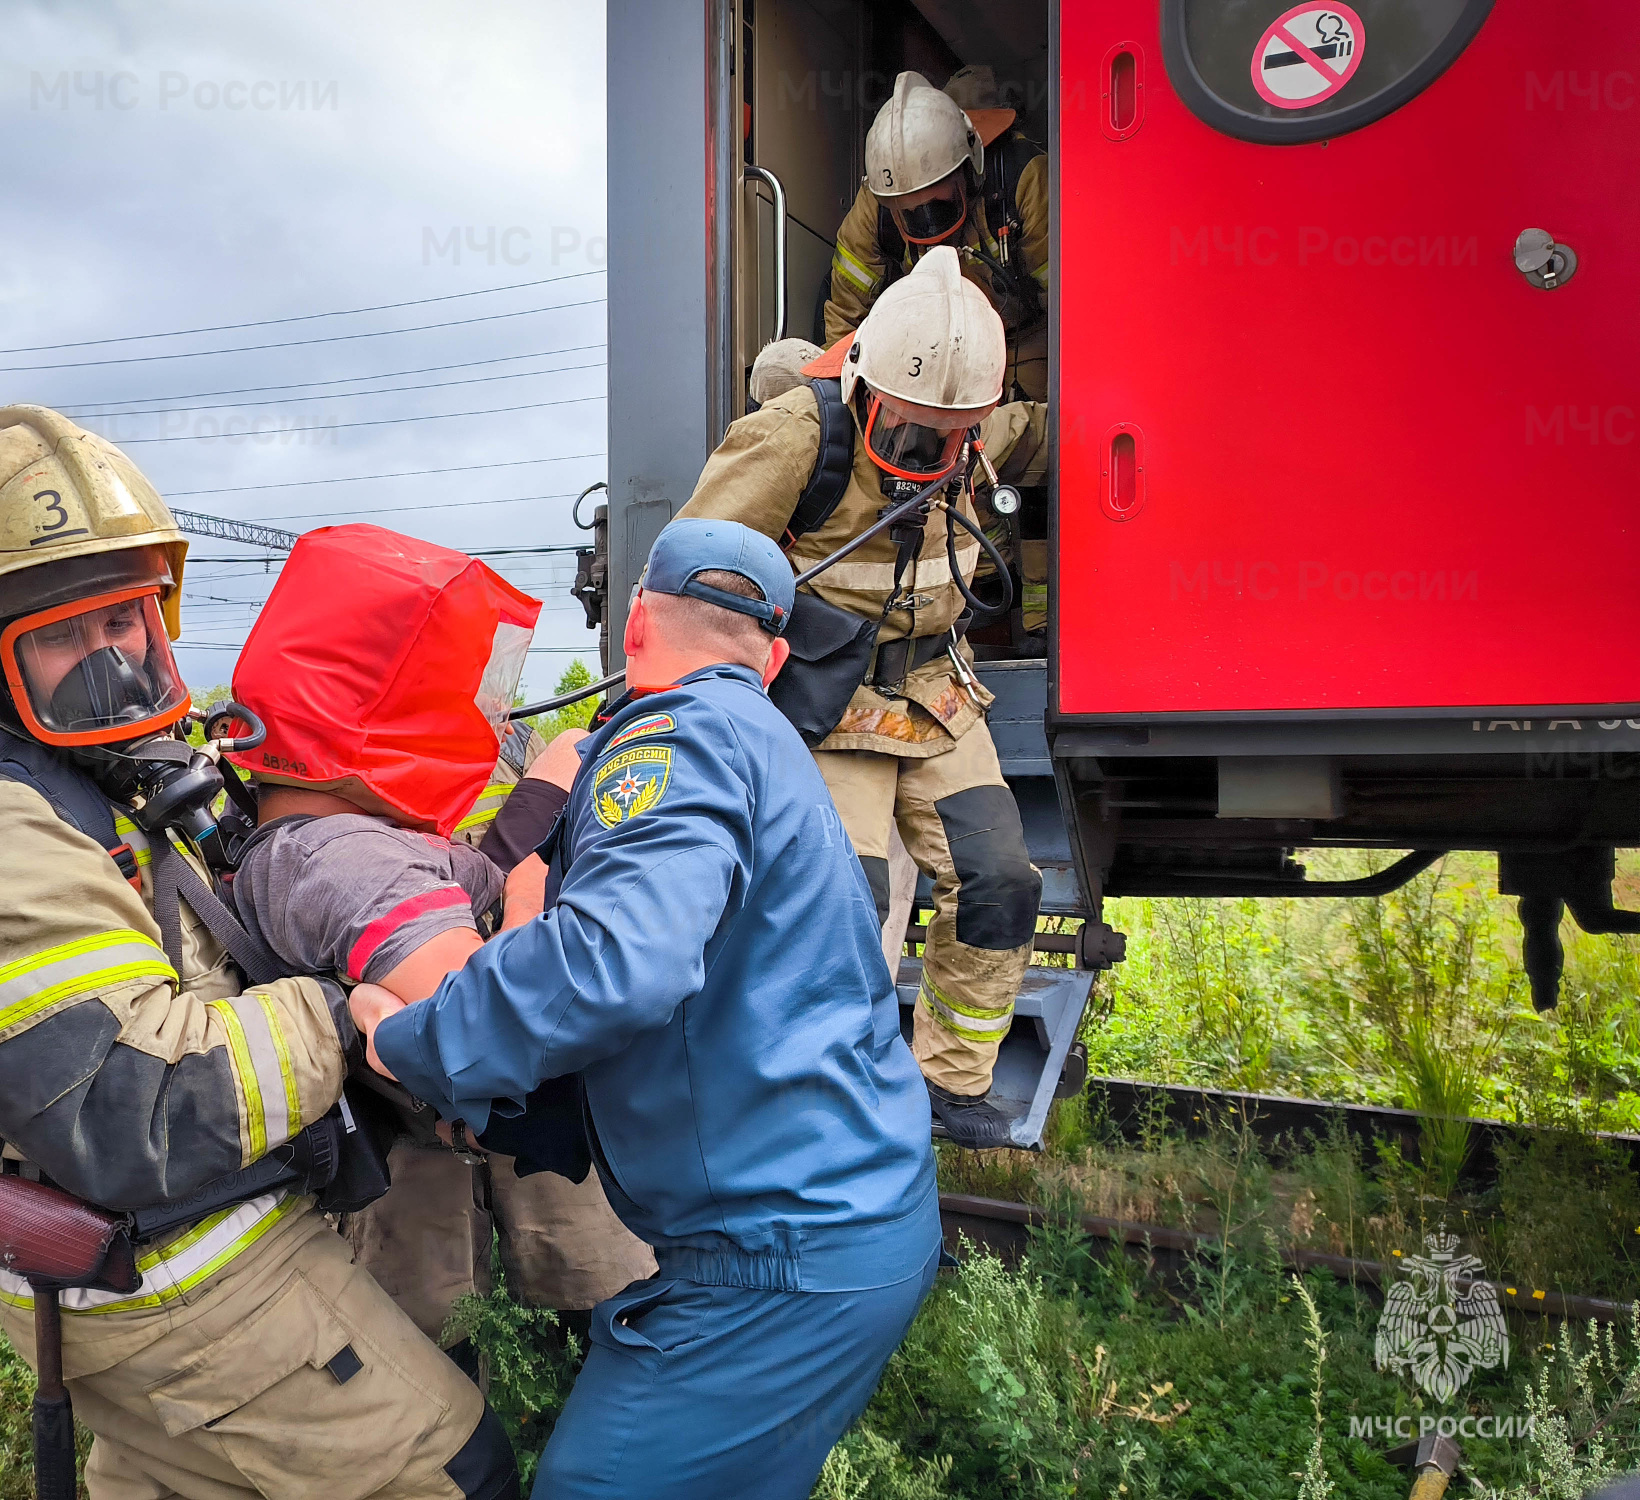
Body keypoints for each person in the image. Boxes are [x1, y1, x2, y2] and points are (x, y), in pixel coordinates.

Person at [0, 406, 516, 1500]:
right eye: (63, 639)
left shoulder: (84, 764)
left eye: (127, 623)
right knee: (455, 1473)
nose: (110, 666)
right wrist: (351, 1004)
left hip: (166, 1248)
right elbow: (135, 1112)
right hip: (174, 1274)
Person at [353, 517, 942, 1499]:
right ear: (776, 655)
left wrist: (416, 1039)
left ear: (633, 625)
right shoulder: (767, 739)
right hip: (852, 1220)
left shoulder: (671, 739)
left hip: (774, 1260)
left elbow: (614, 962)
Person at [221, 528, 655, 1359]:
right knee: (435, 1364)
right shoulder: (345, 856)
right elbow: (495, 1023)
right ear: (385, 699)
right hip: (418, 1151)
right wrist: (529, 882)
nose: (483, 714)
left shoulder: (342, 814)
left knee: (557, 1318)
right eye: (454, 688)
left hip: (468, 1136)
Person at [679, 246, 1044, 1151]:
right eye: (912, 436)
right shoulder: (795, 438)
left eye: (950, 439)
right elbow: (693, 574)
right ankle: (824, 1102)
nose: (929, 456)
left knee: (999, 878)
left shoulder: (980, 437)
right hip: (827, 701)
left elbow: (1058, 428)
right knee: (848, 901)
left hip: (935, 693)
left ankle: (947, 1086)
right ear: (866, 390)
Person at [824, 68, 1048, 402]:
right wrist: (844, 402)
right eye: (911, 214)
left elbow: (1074, 310)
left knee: (1032, 428)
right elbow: (845, 321)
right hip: (924, 353)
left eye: (938, 206)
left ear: (969, 172)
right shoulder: (874, 212)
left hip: (1022, 346)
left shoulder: (1025, 182)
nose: (928, 226)